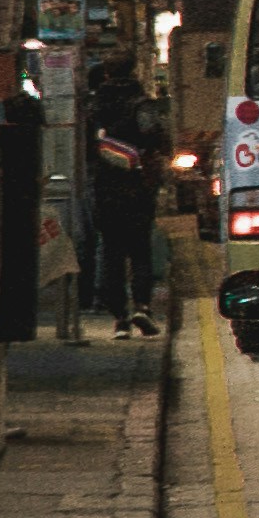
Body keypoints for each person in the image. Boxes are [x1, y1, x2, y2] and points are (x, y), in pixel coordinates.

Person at [84, 67, 164, 330]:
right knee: (140, 251)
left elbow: (87, 149)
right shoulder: (143, 105)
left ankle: (119, 318)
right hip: (137, 188)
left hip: (105, 189)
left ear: (106, 77)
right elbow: (159, 139)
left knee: (111, 252)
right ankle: (142, 307)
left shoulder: (96, 107)